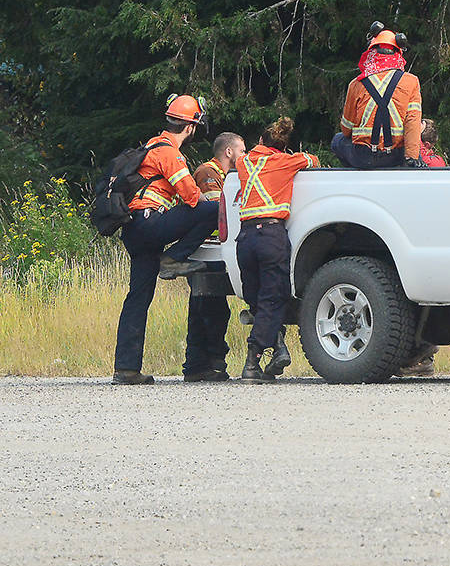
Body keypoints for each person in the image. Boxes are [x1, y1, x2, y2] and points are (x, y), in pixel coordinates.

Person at [112, 94, 218, 385]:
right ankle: (172, 259)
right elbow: (191, 197)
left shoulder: (151, 145)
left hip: (135, 230)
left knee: (138, 297)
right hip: (149, 223)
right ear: (191, 127)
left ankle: (126, 369)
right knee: (213, 209)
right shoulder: (170, 152)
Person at [235, 117, 319, 383]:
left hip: (245, 238)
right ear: (283, 147)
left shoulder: (243, 162)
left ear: (260, 142)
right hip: (271, 235)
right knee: (274, 298)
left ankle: (279, 347)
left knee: (257, 299)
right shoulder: (286, 161)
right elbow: (312, 160)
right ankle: (252, 360)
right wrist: (292, 155)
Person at [182, 131, 246, 382]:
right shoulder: (208, 174)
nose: (245, 155)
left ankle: (204, 364)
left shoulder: (225, 176)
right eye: (241, 150)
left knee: (210, 308)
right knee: (207, 308)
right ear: (228, 151)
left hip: (212, 250)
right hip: (205, 252)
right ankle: (201, 365)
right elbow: (217, 210)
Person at [331, 29, 426, 169]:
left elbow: (346, 130)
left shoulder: (356, 84)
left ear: (371, 52)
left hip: (363, 156)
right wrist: (411, 158)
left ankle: (355, 176)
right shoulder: (411, 81)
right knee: (414, 152)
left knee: (337, 140)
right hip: (395, 156)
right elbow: (412, 123)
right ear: (398, 53)